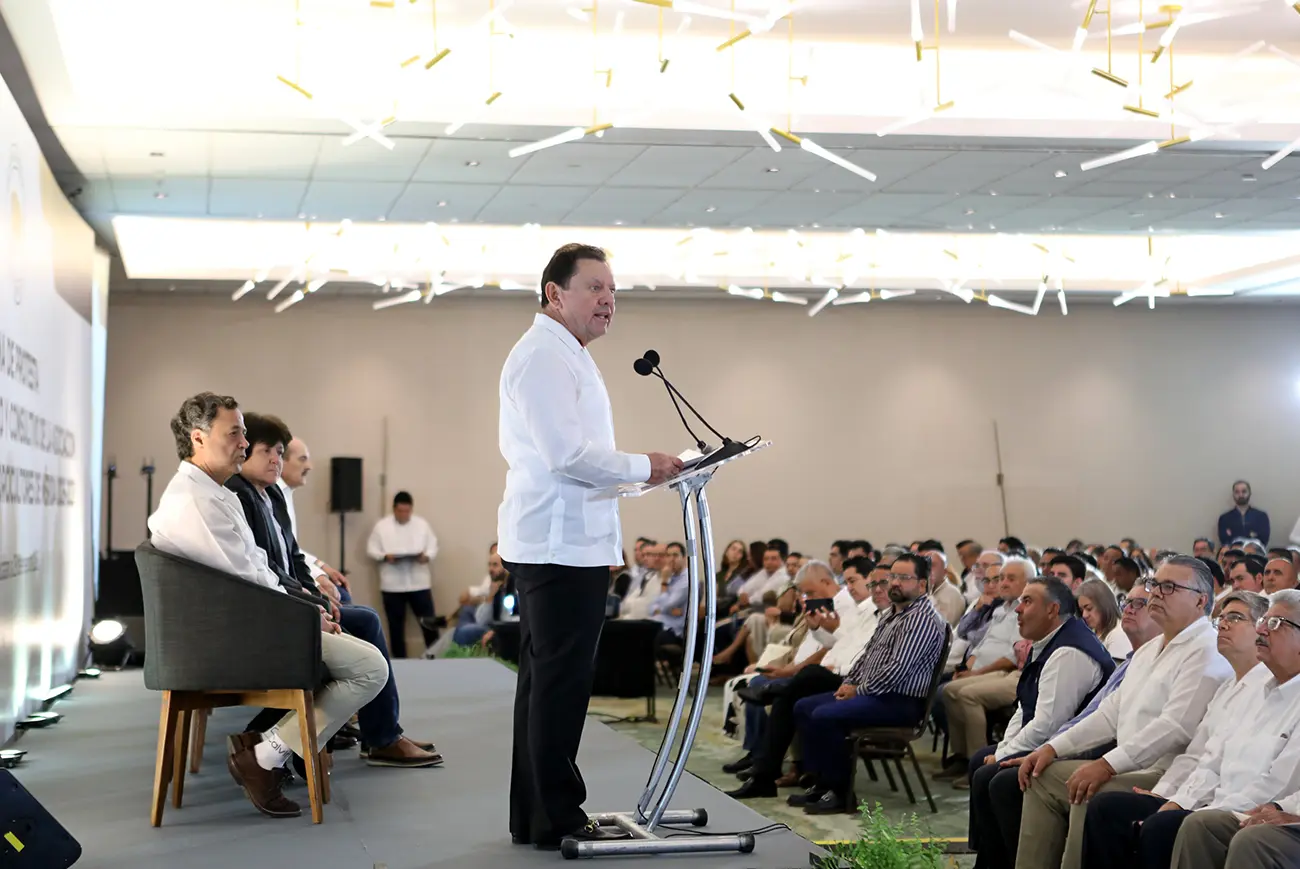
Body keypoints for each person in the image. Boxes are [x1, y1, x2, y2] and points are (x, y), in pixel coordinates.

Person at [496, 242, 684, 849]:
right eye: (595, 288)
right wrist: (646, 465)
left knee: (547, 683)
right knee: (559, 685)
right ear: (555, 293)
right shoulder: (543, 357)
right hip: (558, 545)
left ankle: (537, 814)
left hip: (565, 542)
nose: (608, 300)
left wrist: (638, 474)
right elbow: (568, 455)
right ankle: (556, 814)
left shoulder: (565, 353)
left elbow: (580, 457)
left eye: (613, 290)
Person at [148, 393, 389, 819]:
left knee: (363, 654)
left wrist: (309, 611)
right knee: (370, 668)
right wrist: (307, 617)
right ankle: (266, 756)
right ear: (198, 438)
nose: (244, 442)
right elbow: (249, 585)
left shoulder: (212, 492)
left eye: (244, 433)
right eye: (234, 433)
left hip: (246, 624)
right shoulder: (197, 501)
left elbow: (258, 570)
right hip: (236, 638)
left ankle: (266, 754)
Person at [227, 413, 440, 768]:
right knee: (367, 625)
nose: (276, 460)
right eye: (268, 452)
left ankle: (366, 734)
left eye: (280, 453)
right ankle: (377, 737)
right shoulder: (240, 496)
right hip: (274, 616)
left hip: (291, 604)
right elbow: (264, 569)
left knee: (360, 616)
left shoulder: (271, 495)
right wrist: (313, 604)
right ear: (245, 451)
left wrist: (318, 596)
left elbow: (293, 559)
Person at [1012, 556, 1233, 869]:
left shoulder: (1206, 650)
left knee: (1085, 789)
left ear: (1201, 601)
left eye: (1169, 587)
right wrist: (1051, 748)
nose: (1156, 593)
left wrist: (1106, 765)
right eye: (1155, 584)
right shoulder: (1151, 648)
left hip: (1167, 774)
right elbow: (1108, 713)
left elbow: (1175, 727)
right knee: (1040, 775)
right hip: (1130, 764)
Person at [1080, 590, 1272, 869]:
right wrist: (1164, 794)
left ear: (1262, 630)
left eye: (1235, 618)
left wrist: (1180, 802)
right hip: (1196, 795)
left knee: (1159, 827)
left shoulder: (1268, 688)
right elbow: (1195, 756)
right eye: (1221, 618)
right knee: (1106, 807)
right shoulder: (1228, 688)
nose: (1223, 625)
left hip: (1226, 804)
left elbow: (1235, 769)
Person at [787, 552, 948, 815]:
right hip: (876, 695)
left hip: (900, 702)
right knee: (804, 707)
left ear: (922, 584)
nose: (895, 583)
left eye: (904, 578)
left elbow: (896, 671)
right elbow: (866, 657)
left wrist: (858, 690)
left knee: (825, 715)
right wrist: (849, 683)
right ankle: (822, 784)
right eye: (893, 576)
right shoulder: (893, 614)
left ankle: (841, 794)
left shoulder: (922, 619)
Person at [367, 491, 440, 658]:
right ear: (394, 509)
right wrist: (385, 556)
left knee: (429, 623)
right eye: (400, 511)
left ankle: (435, 657)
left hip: (419, 583)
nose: (404, 514)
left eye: (407, 511)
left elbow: (433, 546)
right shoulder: (382, 526)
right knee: (396, 627)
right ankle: (400, 661)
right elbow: (372, 549)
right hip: (392, 585)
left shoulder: (422, 524)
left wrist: (426, 556)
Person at [279, 436, 352, 604]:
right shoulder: (274, 495)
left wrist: (321, 566)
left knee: (342, 591)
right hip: (288, 587)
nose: (309, 466)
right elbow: (284, 554)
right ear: (281, 460)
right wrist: (316, 580)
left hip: (296, 577)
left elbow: (290, 547)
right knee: (358, 610)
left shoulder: (286, 493)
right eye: (302, 459)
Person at [1076, 579, 1131, 660]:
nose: (1084, 615)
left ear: (1104, 605)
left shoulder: (1118, 634)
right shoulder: (1093, 632)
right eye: (1081, 610)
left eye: (1089, 608)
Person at [1218, 480, 1270, 547]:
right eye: (1237, 492)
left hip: (1255, 552)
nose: (1240, 495)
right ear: (1233, 494)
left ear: (1250, 493)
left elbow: (1263, 540)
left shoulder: (1261, 516)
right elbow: (1225, 541)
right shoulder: (1224, 518)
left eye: (1244, 491)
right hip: (1233, 552)